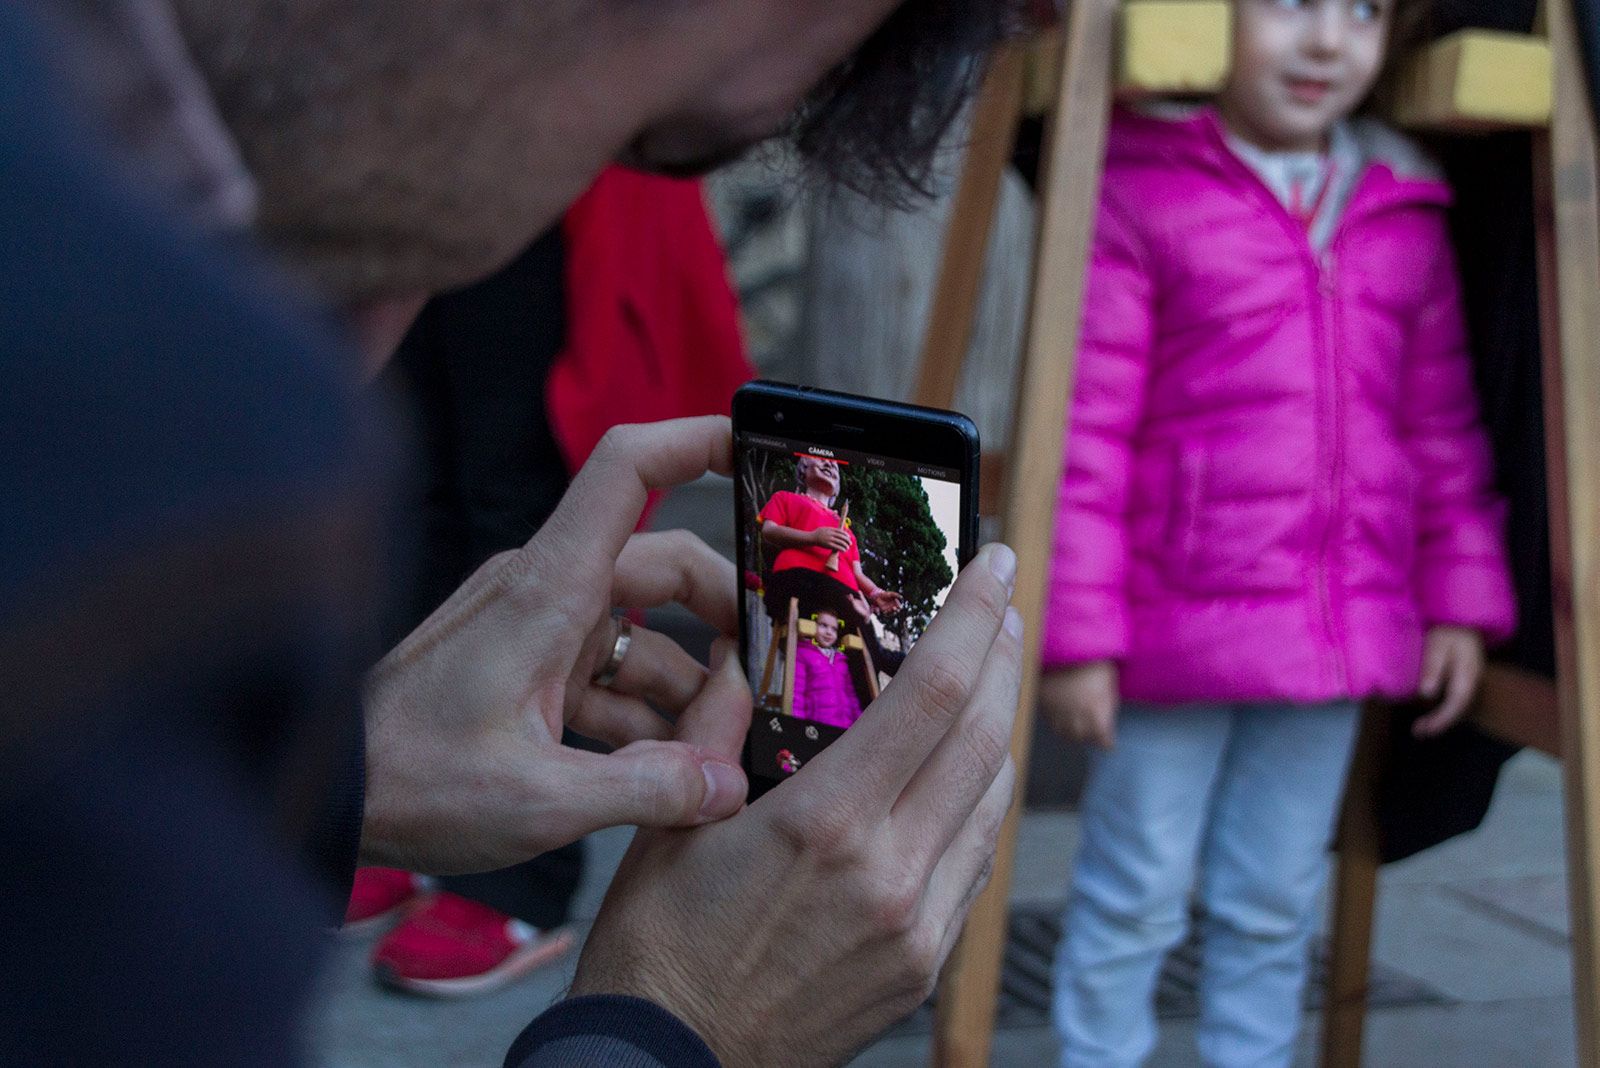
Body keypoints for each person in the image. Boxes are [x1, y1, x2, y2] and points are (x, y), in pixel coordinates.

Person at [4, 0, 1031, 1064]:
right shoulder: (99, 444)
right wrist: (671, 1024)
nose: (394, 319)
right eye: (655, 140)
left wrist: (348, 777)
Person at [1039, 2, 1516, 1066]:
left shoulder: (1404, 206)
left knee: (1271, 898)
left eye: (1362, 11)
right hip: (1168, 640)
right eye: (1289, 2)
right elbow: (1085, 432)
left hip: (1332, 634)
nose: (1324, 43)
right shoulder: (1137, 186)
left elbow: (1441, 427)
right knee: (1133, 893)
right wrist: (1077, 640)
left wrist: (1459, 602)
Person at [760, 456, 906, 676]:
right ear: (803, 471)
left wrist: (876, 593)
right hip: (797, 581)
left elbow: (857, 573)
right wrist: (814, 538)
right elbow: (769, 531)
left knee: (863, 655)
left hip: (843, 595)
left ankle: (871, 679)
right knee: (855, 610)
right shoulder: (785, 498)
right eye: (819, 460)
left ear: (837, 486)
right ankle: (883, 657)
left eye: (835, 465)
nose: (829, 464)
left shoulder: (847, 531)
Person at [791, 610, 868, 729]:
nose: (828, 632)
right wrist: (797, 725)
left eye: (834, 629)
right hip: (817, 726)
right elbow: (797, 693)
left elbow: (851, 696)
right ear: (812, 626)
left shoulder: (841, 660)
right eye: (823, 625)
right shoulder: (803, 653)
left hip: (844, 728)